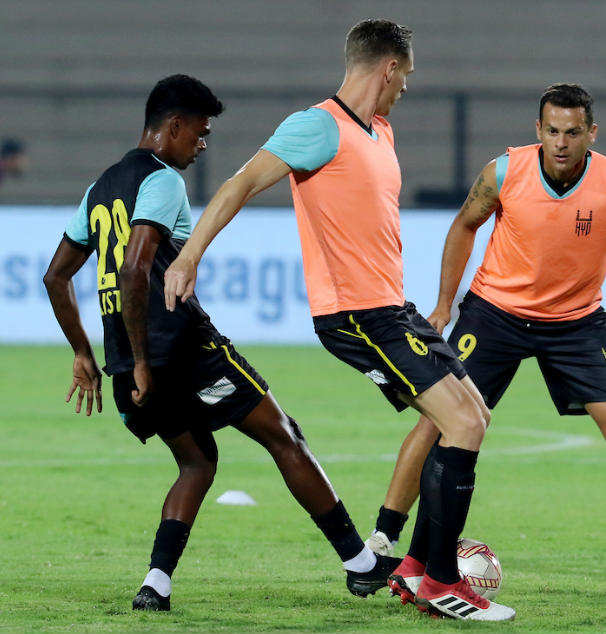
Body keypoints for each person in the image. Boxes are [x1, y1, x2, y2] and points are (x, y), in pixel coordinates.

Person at [162, 21, 514, 622]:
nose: (406, 87)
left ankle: (414, 568)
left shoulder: (381, 131)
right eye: (406, 75)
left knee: (472, 414)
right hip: (355, 314)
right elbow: (240, 184)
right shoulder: (316, 126)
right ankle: (440, 582)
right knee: (460, 423)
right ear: (389, 68)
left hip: (392, 307)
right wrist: (189, 254)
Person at [43, 74, 400, 612]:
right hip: (183, 352)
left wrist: (83, 352)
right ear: (174, 126)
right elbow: (137, 269)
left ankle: (156, 585)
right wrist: (144, 361)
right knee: (285, 437)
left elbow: (56, 276)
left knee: (197, 462)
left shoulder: (100, 188)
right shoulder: (162, 180)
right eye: (200, 133)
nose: (202, 144)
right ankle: (361, 564)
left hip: (126, 363)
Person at [364, 83, 606, 586]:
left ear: (591, 133)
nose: (561, 142)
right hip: (495, 314)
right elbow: (464, 226)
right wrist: (444, 304)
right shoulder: (505, 172)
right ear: (538, 130)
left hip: (576, 322)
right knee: (438, 420)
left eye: (572, 133)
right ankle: (384, 535)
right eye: (552, 131)